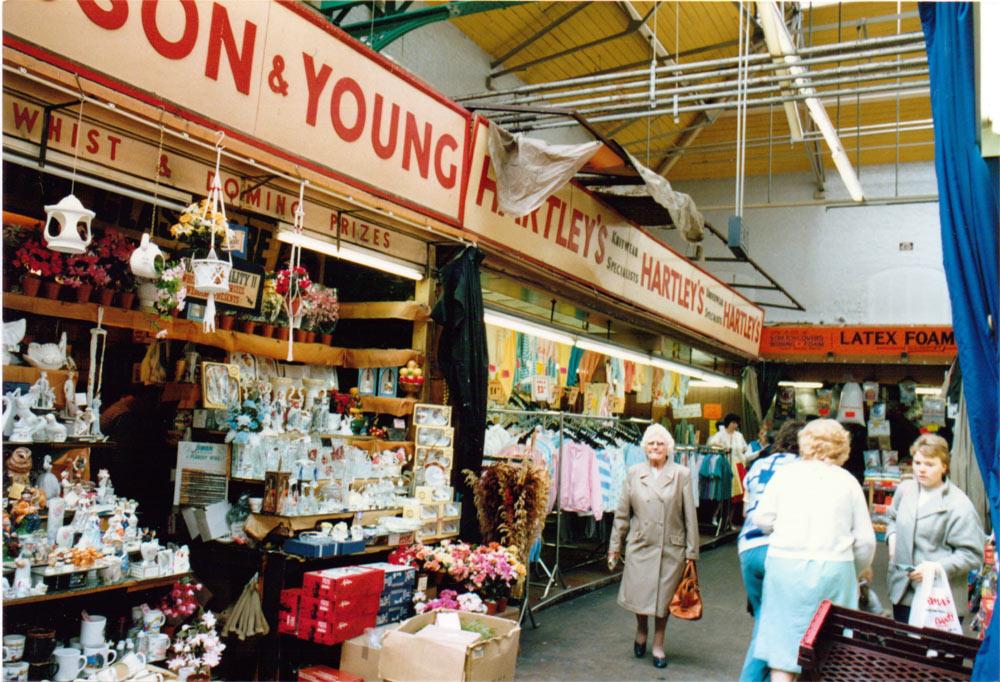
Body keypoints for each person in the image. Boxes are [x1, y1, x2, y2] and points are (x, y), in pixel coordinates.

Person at [751, 419, 876, 682]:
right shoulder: (849, 482)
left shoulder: (784, 476)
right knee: (829, 651)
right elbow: (865, 541)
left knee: (783, 650)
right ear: (842, 447)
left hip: (785, 566)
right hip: (834, 569)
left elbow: (761, 519)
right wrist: (853, 571)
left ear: (804, 443)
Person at [607, 423, 699, 669]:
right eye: (651, 443)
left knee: (663, 599)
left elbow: (690, 515)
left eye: (660, 444)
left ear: (668, 448)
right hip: (640, 545)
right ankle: (641, 628)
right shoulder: (634, 473)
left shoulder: (682, 474)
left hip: (670, 548)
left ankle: (658, 641)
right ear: (644, 447)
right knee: (640, 594)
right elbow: (622, 513)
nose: (655, 447)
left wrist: (692, 552)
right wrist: (615, 546)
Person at [886, 434, 984, 624]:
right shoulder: (905, 490)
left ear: (944, 466)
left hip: (939, 599)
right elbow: (892, 517)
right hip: (903, 591)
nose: (921, 469)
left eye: (929, 464)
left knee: (933, 653)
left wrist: (937, 568)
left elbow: (972, 554)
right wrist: (892, 538)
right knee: (902, 648)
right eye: (917, 462)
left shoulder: (958, 505)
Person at [737, 420, 805, 682]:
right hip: (779, 549)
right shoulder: (802, 469)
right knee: (769, 626)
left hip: (748, 548)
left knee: (766, 621)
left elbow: (745, 510)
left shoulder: (757, 466)